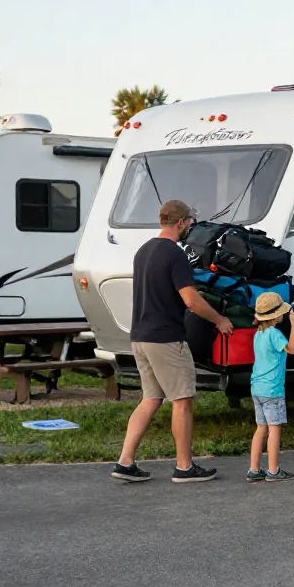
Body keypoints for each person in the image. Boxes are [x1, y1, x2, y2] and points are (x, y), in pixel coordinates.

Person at [112, 200, 234, 484]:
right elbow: (190, 299)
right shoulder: (175, 254)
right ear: (180, 222)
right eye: (189, 222)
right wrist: (219, 320)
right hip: (166, 337)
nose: (190, 227)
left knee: (151, 398)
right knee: (183, 400)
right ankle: (184, 466)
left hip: (140, 336)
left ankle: (125, 461)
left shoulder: (144, 251)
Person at [246, 292, 294, 483]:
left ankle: (253, 469)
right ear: (275, 316)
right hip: (272, 390)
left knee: (261, 428)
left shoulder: (258, 334)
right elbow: (292, 349)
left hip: (257, 388)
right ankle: (273, 470)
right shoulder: (275, 334)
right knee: (274, 429)